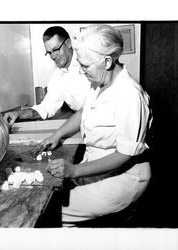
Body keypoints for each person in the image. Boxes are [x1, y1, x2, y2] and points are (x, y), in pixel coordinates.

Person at [32, 24, 153, 226]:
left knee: (50, 214)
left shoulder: (130, 95)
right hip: (97, 168)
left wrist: (73, 171)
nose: (81, 69)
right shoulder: (99, 83)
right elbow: (83, 112)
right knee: (53, 199)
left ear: (107, 61)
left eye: (86, 65)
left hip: (125, 176)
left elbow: (124, 154)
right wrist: (57, 135)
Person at [3, 26, 90, 126]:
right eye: (49, 52)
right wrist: (17, 114)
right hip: (85, 125)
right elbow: (45, 108)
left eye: (56, 50)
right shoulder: (57, 77)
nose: (53, 56)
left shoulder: (88, 61)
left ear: (68, 43)